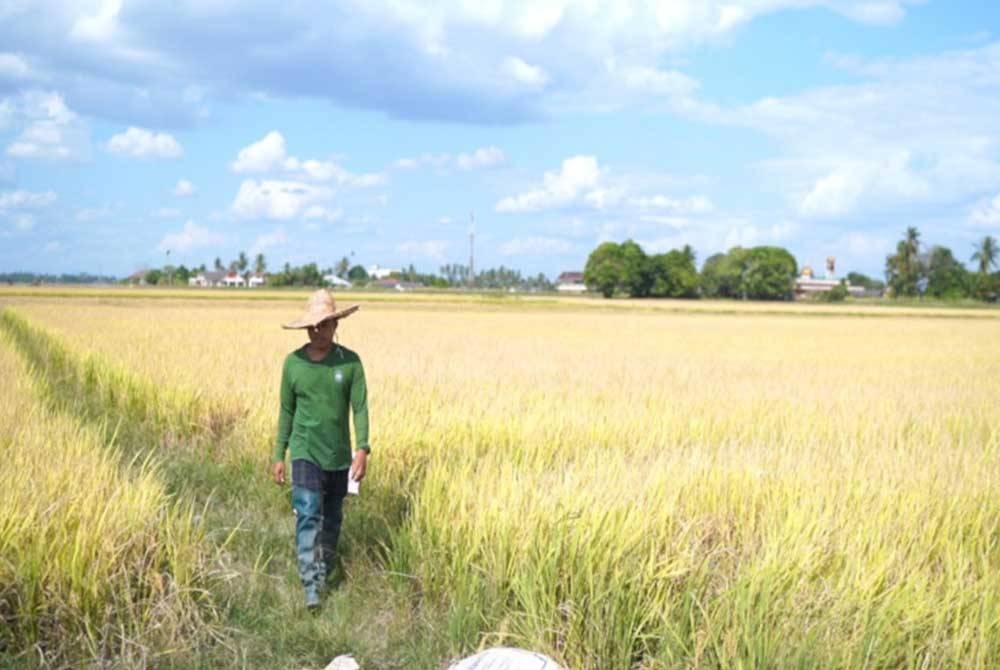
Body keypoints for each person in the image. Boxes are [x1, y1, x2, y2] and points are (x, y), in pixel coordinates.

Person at [272, 289, 370, 609]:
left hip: (338, 456)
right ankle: (311, 586)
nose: (318, 331)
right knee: (308, 513)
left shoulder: (351, 363)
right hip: (304, 452)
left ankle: (324, 570)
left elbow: (360, 408)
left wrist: (362, 450)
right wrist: (279, 455)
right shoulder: (293, 364)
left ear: (335, 324)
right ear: (306, 328)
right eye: (312, 326)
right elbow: (286, 411)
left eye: (324, 325)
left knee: (332, 519)